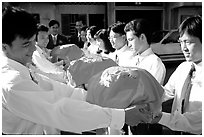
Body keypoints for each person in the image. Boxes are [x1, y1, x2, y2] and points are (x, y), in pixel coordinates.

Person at [2, 6, 151, 135]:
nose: (33, 48)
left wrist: (106, 99)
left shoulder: (23, 70)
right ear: (4, 47)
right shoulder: (12, 82)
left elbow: (63, 92)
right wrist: (120, 116)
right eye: (25, 44)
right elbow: (60, 110)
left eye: (33, 41)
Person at [149, 15, 202, 135]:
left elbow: (200, 119)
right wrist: (145, 100)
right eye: (181, 42)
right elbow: (166, 92)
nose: (184, 48)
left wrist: (163, 118)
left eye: (188, 42)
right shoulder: (184, 67)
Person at [124, 19, 166, 134]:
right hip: (133, 118)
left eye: (131, 40)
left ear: (142, 37)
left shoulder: (155, 62)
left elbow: (150, 94)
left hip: (148, 122)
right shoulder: (132, 60)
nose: (128, 44)